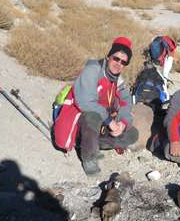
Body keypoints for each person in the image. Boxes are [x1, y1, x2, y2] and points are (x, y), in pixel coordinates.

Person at [53, 36, 139, 176]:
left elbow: (126, 103)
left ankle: (90, 144)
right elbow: (86, 102)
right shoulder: (93, 69)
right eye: (116, 58)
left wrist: (122, 122)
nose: (118, 64)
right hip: (81, 117)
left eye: (123, 62)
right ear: (108, 56)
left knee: (132, 134)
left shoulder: (119, 80)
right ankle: (89, 157)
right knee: (92, 116)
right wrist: (110, 122)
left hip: (102, 123)